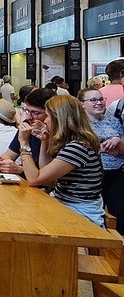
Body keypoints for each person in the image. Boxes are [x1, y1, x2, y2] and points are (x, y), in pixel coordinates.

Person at [18, 95, 104, 226]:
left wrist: (24, 143)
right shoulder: (72, 142)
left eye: (47, 116)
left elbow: (33, 179)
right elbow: (48, 179)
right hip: (65, 203)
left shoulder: (77, 147)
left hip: (80, 211)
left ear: (59, 119)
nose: (45, 121)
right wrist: (44, 142)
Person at [79, 88, 124, 233]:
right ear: (82, 104)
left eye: (101, 99)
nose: (99, 103)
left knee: (120, 213)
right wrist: (100, 147)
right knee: (95, 215)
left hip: (116, 172)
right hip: (92, 175)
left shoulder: (112, 120)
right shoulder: (79, 124)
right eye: (93, 100)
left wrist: (117, 141)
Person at [0, 87, 57, 175]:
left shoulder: (59, 134)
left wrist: (20, 169)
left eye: (35, 113)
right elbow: (10, 154)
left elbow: (47, 175)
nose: (29, 117)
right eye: (27, 111)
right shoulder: (28, 125)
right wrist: (3, 162)